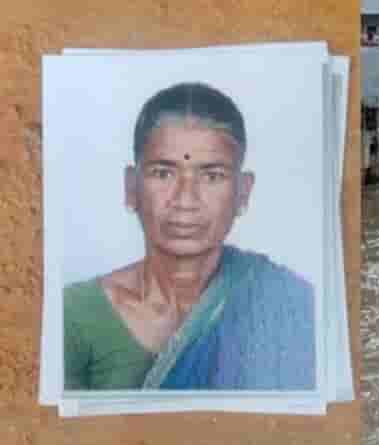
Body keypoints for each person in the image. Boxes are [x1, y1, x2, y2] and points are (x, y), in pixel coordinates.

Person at [64, 82, 316, 392]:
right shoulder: (74, 315)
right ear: (131, 187)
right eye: (163, 173)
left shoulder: (288, 305)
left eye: (212, 176)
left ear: (242, 192)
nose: (185, 200)